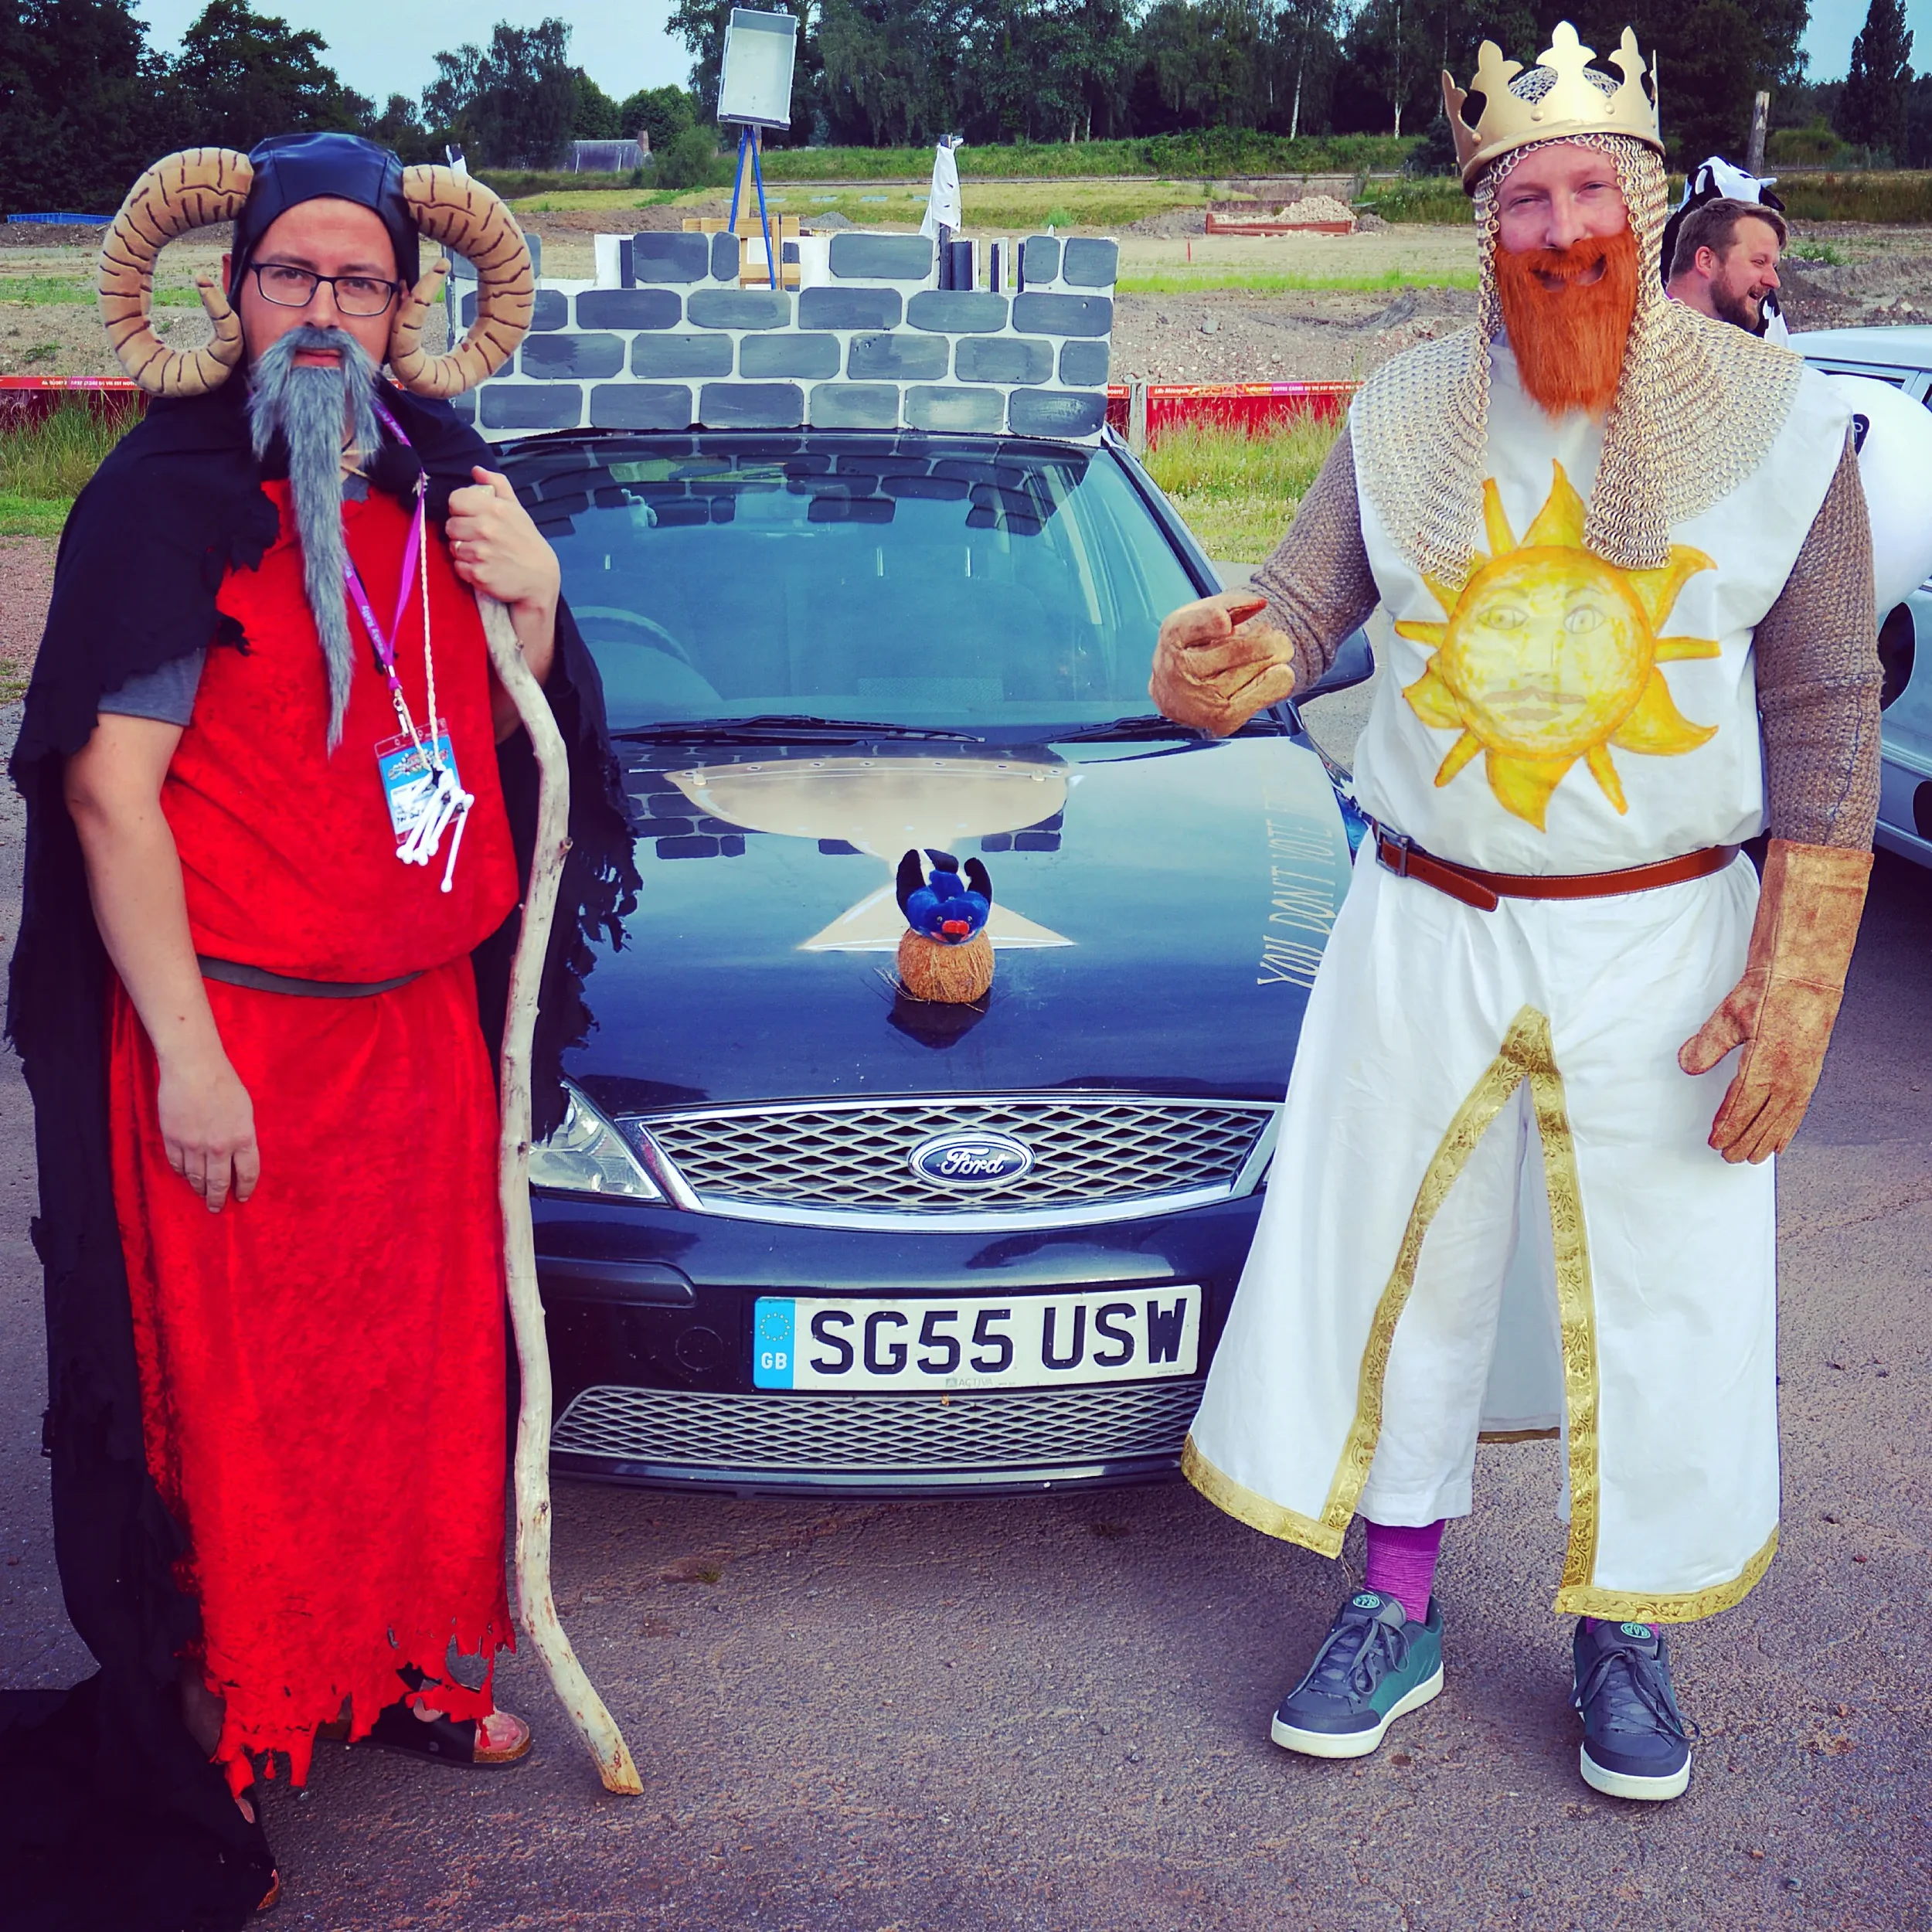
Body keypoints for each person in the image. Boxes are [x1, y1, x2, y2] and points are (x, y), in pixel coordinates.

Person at [1150, 23, 1877, 1804]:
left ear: (1644, 202)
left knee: (1662, 1289)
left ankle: (1624, 1631)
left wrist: (1799, 968)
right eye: (1521, 193)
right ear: (1481, 219)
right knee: (1410, 1267)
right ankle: (1392, 1605)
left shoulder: (1779, 428)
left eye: (1589, 189)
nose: (1559, 223)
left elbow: (1824, 701)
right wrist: (1224, 666)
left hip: (1664, 939)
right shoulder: (1401, 411)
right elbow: (1307, 616)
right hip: (1427, 923)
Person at [0, 134, 636, 1929]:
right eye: (294, 275)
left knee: (424, 1377)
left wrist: (538, 596)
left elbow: (533, 742)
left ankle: (419, 1669)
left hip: (416, 1038)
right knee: (246, 1395)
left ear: (404, 312)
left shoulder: (449, 480)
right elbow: (111, 802)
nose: (322, 312)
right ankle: (249, 1701)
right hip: (241, 1044)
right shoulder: (166, 501)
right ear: (232, 290)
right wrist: (186, 1055)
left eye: (360, 284)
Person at [1667, 196, 1787, 335]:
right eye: (1759, 262)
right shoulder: (1643, 346)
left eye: (1774, 266)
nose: (1775, 282)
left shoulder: (1729, 350)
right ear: (1706, 261)